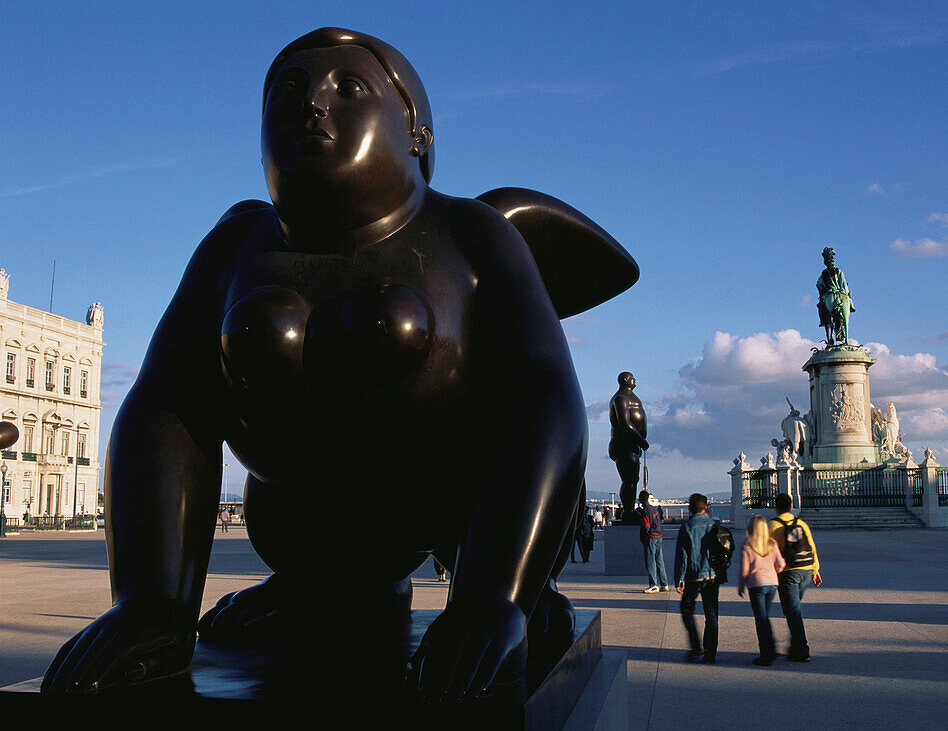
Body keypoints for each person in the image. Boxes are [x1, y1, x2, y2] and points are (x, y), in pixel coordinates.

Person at [41, 27, 638, 700]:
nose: (312, 105)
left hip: (452, 510)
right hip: (303, 524)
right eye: (288, 92)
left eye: (349, 88)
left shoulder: (472, 234)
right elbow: (163, 403)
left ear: (418, 135)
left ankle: (525, 592)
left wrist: (494, 595)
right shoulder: (238, 241)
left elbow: (545, 398)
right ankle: (321, 589)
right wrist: (153, 603)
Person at [769, 493, 821, 662]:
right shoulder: (801, 524)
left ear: (776, 507)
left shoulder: (773, 526)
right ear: (791, 506)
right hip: (805, 570)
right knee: (793, 609)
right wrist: (815, 570)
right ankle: (794, 647)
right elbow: (811, 546)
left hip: (788, 572)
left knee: (792, 611)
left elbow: (767, 551)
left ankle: (802, 649)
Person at [675, 493, 719, 663]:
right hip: (712, 575)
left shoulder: (687, 527)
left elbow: (682, 557)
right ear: (705, 507)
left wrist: (680, 579)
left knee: (687, 609)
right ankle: (710, 653)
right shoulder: (713, 525)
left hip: (693, 576)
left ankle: (695, 646)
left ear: (689, 508)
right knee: (712, 614)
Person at [737, 515, 785, 666]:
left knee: (760, 620)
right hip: (772, 584)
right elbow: (781, 565)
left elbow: (745, 570)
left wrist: (740, 585)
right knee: (765, 617)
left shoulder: (747, 545)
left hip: (756, 585)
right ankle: (772, 648)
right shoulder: (772, 544)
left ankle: (765, 654)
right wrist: (773, 571)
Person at [608, 372, 649, 525]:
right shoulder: (621, 398)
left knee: (634, 479)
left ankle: (630, 510)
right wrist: (641, 440)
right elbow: (625, 423)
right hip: (624, 445)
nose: (635, 381)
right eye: (632, 378)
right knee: (628, 479)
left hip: (632, 446)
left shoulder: (628, 397)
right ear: (626, 380)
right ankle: (628, 511)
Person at [638, 491, 669, 592]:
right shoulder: (654, 508)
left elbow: (646, 526)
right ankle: (664, 583)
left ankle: (653, 584)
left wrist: (644, 537)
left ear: (642, 499)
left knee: (651, 561)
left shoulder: (645, 510)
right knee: (660, 560)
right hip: (659, 535)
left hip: (651, 537)